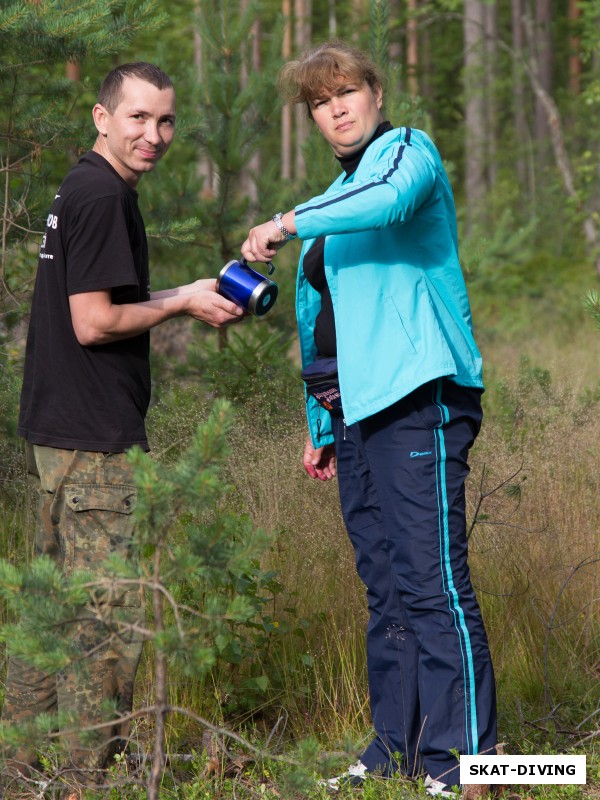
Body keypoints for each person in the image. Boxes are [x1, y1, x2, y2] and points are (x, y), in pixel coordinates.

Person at [241, 41, 497, 799]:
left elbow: (386, 201)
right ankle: (398, 748)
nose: (336, 109)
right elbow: (320, 314)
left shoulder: (406, 156)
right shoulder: (329, 202)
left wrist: (285, 222)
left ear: (376, 93)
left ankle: (471, 764)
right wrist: (320, 426)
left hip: (420, 397)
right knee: (385, 589)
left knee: (433, 583)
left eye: (346, 92)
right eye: (320, 102)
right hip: (354, 417)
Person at [1, 62, 244, 794]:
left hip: (58, 433)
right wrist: (177, 309)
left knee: (50, 610)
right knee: (107, 624)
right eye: (138, 118)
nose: (154, 135)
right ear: (102, 116)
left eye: (166, 121)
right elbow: (96, 320)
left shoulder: (78, 186)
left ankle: (16, 772)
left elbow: (99, 300)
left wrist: (187, 291)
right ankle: (83, 782)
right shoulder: (105, 195)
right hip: (97, 440)